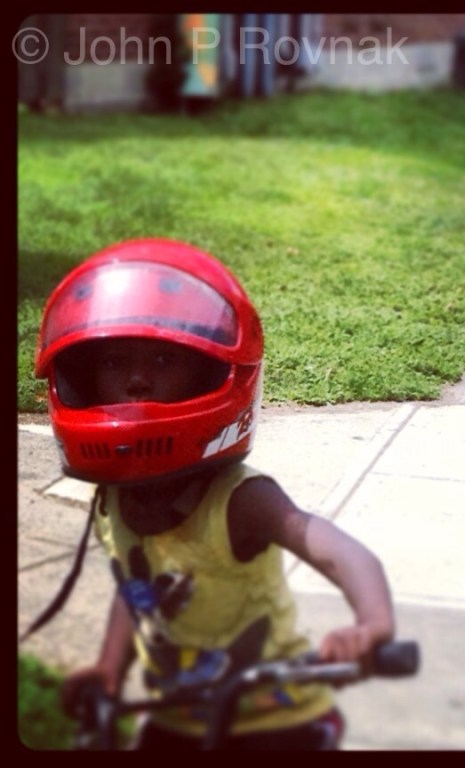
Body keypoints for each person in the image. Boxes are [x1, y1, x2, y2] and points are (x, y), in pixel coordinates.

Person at [33, 238, 396, 750]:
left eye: (163, 358)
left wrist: (372, 624)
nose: (137, 380)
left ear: (206, 373)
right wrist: (110, 668)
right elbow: (137, 588)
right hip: (176, 720)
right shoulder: (114, 497)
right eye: (114, 363)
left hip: (280, 723)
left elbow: (341, 551)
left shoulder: (239, 502)